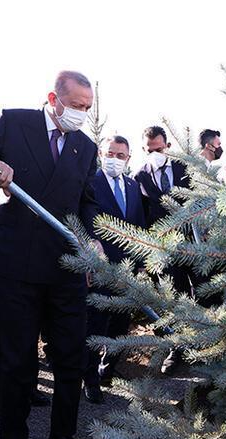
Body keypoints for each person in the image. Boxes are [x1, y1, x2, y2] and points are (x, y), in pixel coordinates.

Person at [0, 70, 101, 439]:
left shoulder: (85, 147)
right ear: (54, 98)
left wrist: (91, 239)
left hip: (66, 267)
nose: (80, 115)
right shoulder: (14, 122)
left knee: (71, 356)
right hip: (17, 265)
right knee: (19, 358)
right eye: (75, 106)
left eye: (87, 109)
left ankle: (62, 436)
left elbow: (86, 202)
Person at [83, 136, 146, 403]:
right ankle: (90, 380)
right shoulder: (91, 184)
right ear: (101, 153)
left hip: (127, 269)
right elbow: (85, 223)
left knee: (121, 324)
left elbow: (139, 226)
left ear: (128, 158)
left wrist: (141, 263)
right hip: (99, 267)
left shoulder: (132, 186)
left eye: (121, 155)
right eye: (111, 153)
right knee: (96, 325)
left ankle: (107, 368)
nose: (115, 159)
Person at [134, 126, 192, 373]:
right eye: (149, 150)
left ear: (167, 146)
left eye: (158, 149)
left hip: (191, 242)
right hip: (161, 245)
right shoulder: (140, 176)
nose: (154, 153)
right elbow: (141, 214)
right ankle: (173, 348)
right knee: (169, 293)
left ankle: (199, 344)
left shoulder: (184, 168)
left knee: (195, 293)